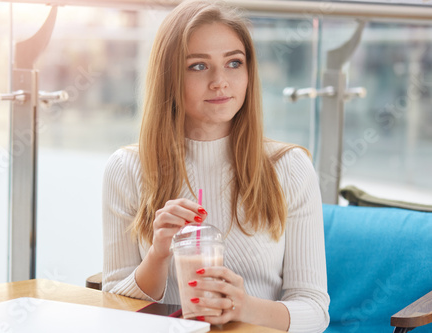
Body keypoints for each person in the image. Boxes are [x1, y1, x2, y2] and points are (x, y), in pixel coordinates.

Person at [102, 1, 330, 332]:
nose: (220, 81)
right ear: (169, 77)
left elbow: (314, 311)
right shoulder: (126, 168)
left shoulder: (290, 168)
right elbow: (113, 302)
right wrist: (158, 255)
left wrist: (245, 307)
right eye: (198, 66)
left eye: (234, 63)